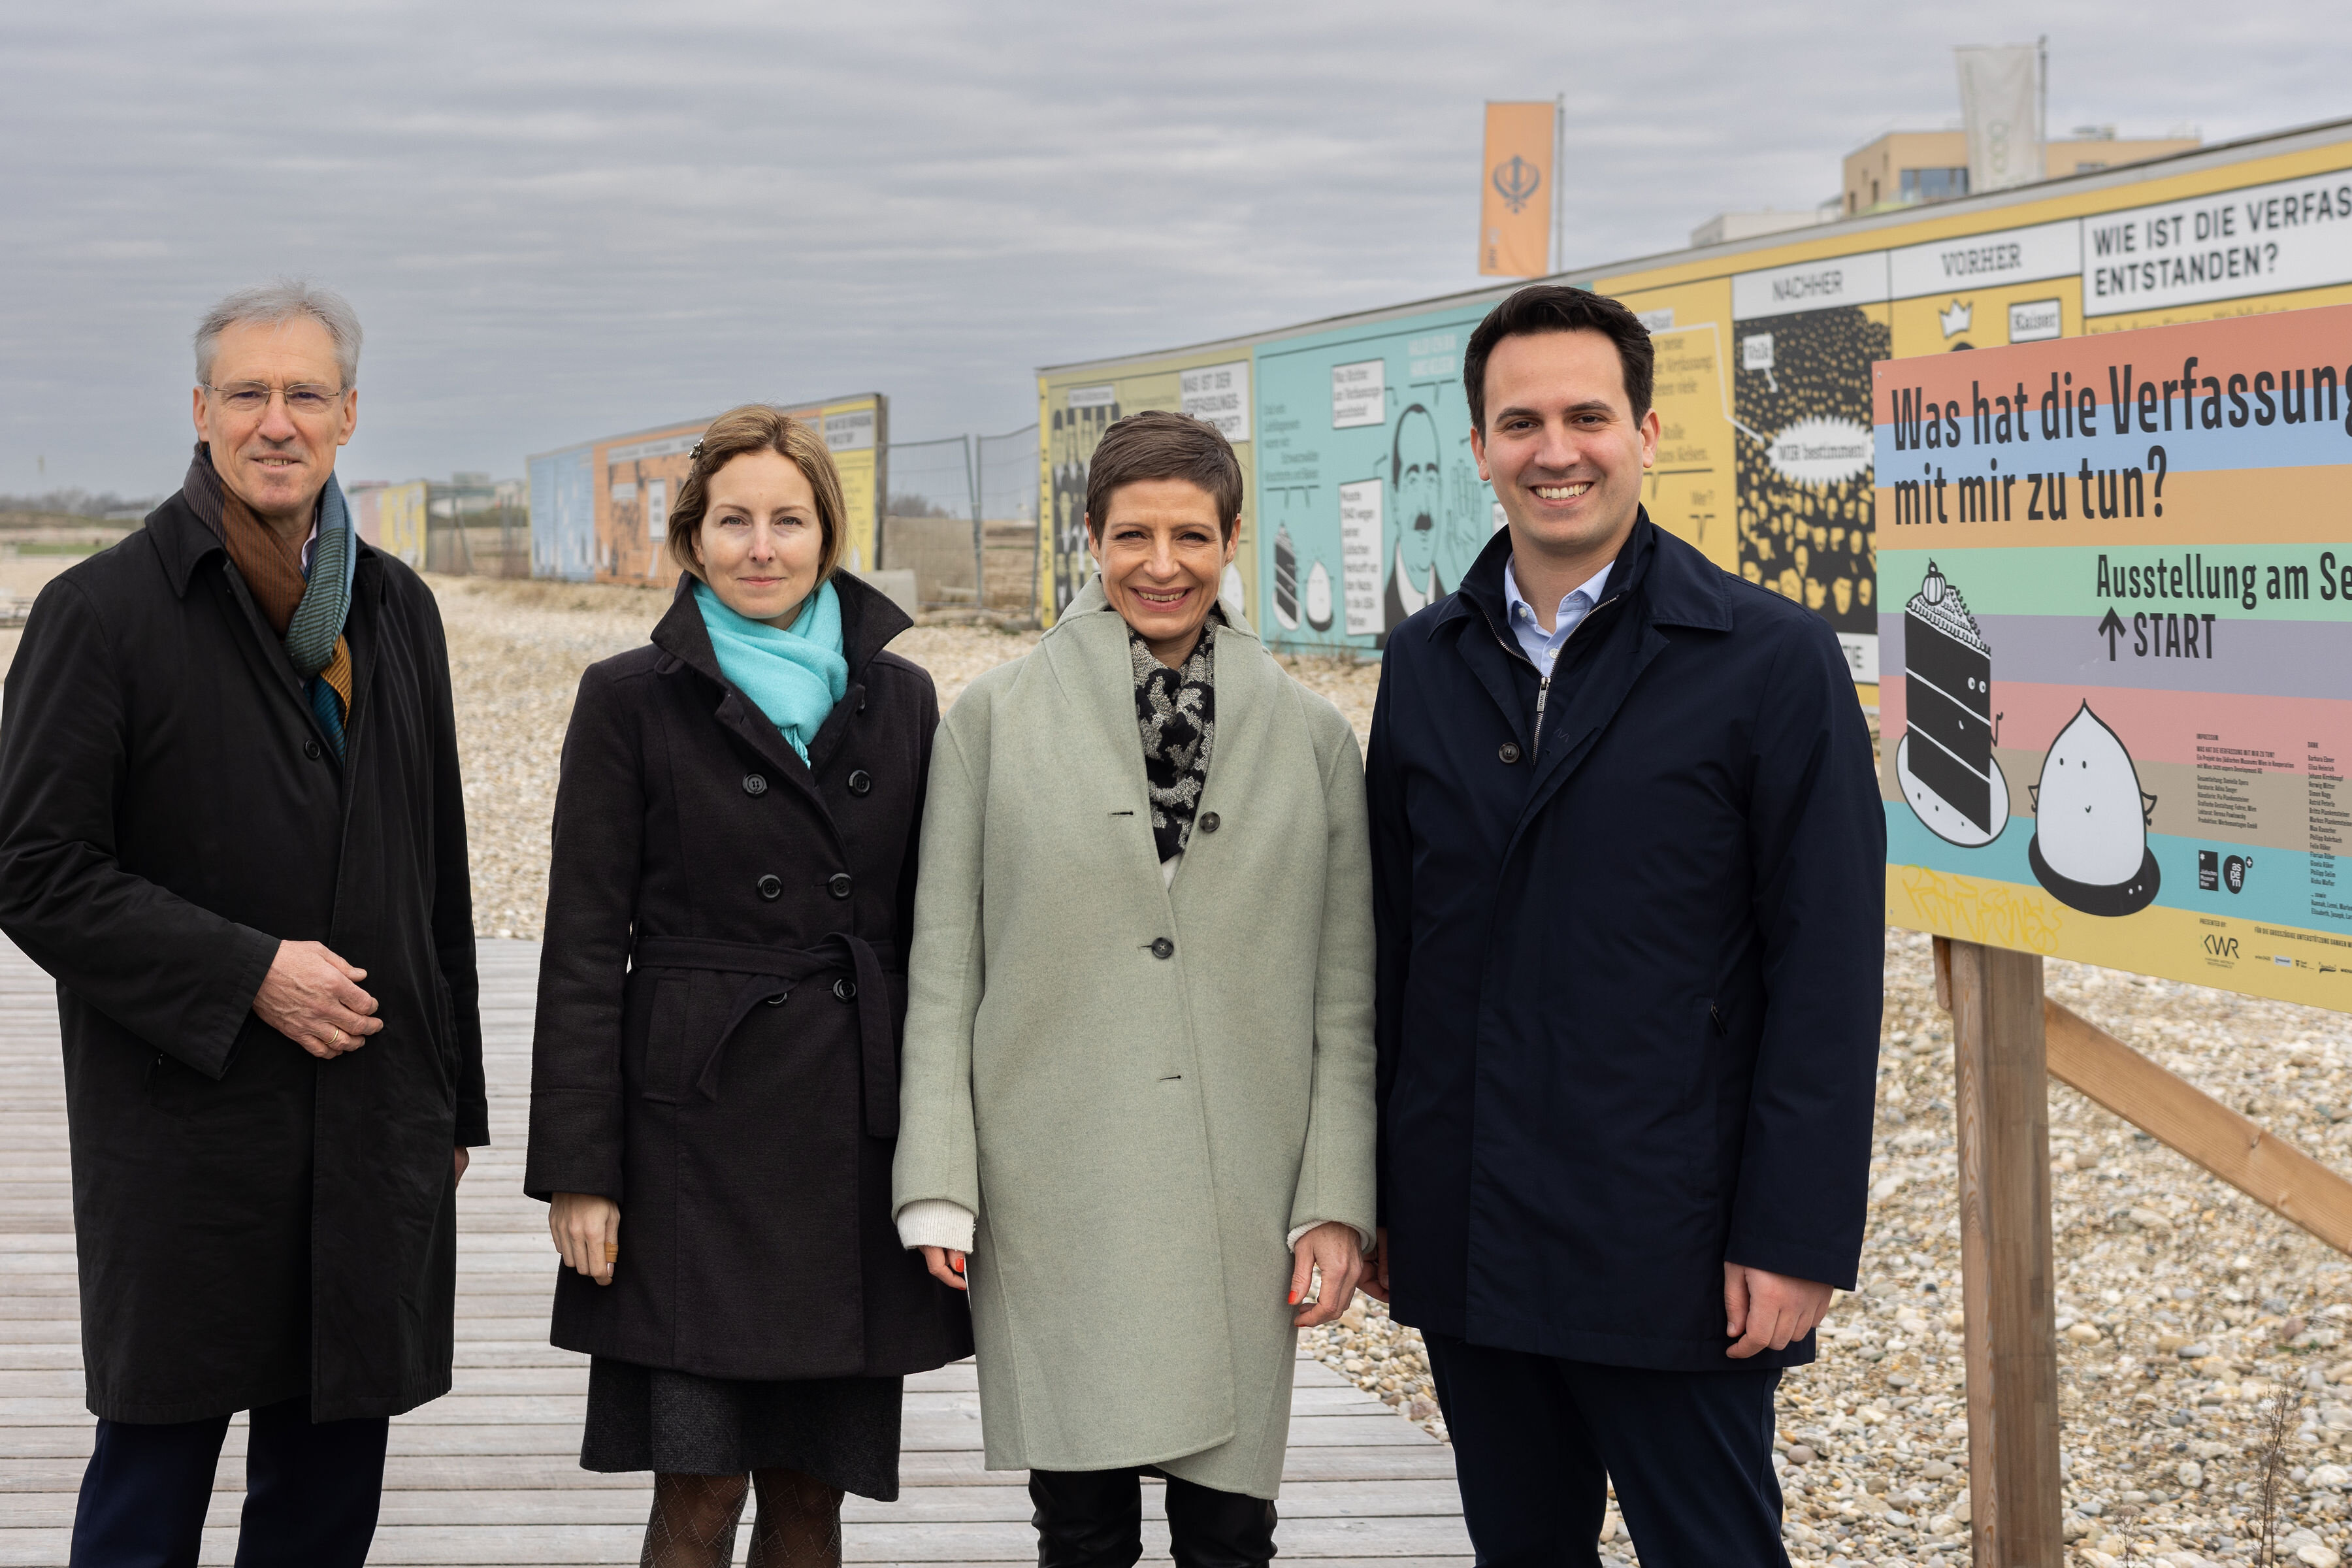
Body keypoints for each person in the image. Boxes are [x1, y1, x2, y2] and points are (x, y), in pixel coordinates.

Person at [1364, 284, 1885, 1567]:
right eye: (1521, 422)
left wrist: (1795, 1235)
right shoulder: (1425, 661)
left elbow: (1825, 971)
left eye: (1587, 416)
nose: (1557, 451)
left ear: (1647, 433)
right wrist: (1377, 1193)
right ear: (1481, 447)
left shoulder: (1770, 658)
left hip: (1674, 1241)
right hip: (1475, 1230)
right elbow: (1391, 945)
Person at [0, 280, 484, 1566]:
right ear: (201, 411)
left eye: (305, 394)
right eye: (249, 393)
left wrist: (454, 1104)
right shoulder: (102, 612)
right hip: (187, 1132)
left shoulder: (397, 609)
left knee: (324, 1505)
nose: (279, 420)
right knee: (147, 1497)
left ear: (349, 416)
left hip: (372, 1115)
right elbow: (33, 868)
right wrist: (249, 970)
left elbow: (436, 873)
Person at [892, 410, 1376, 1568]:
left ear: (1232, 540)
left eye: (1192, 536)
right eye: (1133, 536)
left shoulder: (1313, 739)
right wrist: (938, 1181)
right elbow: (943, 969)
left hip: (1242, 1186)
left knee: (1230, 1529)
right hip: (1052, 1186)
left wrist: (1335, 1197)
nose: (1163, 565)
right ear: (1091, 539)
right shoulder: (992, 722)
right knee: (1080, 1525)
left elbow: (1345, 993)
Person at [527, 405, 972, 1568]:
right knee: (700, 1492)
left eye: (789, 520)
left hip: (850, 1141)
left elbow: (939, 941)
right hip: (691, 1143)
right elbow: (583, 946)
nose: (761, 547)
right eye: (734, 521)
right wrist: (581, 1169)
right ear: (692, 538)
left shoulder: (903, 698)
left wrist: (946, 1163)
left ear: (829, 536)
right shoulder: (629, 696)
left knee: (814, 1496)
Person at [1379, 402, 1448, 644]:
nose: (1425, 505)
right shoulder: (1382, 625)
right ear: (1394, 499)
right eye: (1412, 480)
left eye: (1431, 479)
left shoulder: (1460, 613)